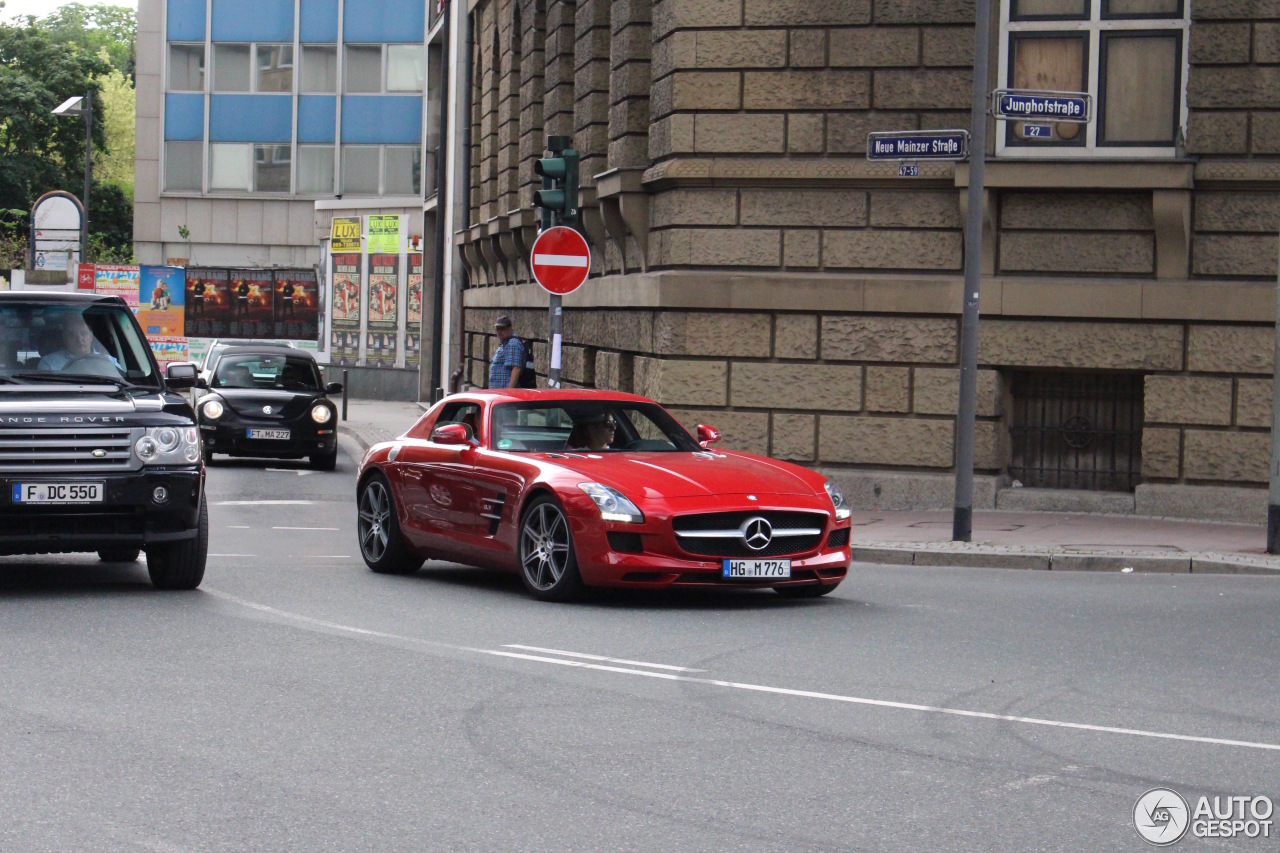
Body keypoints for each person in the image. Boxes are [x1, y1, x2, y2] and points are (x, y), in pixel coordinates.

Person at [37, 313, 120, 372]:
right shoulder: (49, 363)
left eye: (84, 333)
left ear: (91, 336)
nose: (79, 339)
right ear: (65, 338)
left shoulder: (109, 361)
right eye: (72, 335)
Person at [488, 315, 525, 389]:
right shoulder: (504, 343)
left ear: (509, 328)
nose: (499, 331)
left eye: (502, 328)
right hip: (499, 391)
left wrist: (509, 391)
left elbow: (516, 369)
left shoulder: (512, 343)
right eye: (497, 329)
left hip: (505, 391)